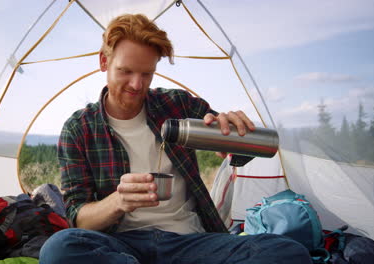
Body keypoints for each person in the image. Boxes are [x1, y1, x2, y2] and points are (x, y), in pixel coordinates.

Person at [39, 14, 312, 264]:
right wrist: (118, 201)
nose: (137, 84)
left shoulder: (178, 105)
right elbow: (78, 219)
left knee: (288, 252)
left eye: (146, 73)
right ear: (104, 62)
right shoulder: (79, 128)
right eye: (126, 71)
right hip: (120, 245)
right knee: (58, 249)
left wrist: (238, 135)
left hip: (192, 242)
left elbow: (234, 150)